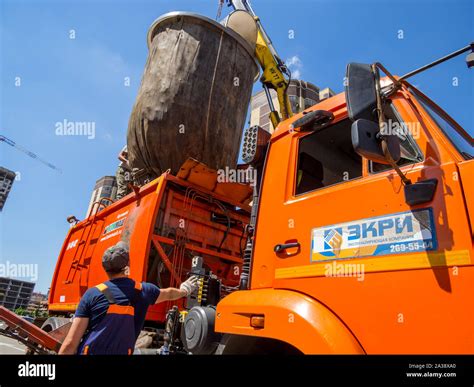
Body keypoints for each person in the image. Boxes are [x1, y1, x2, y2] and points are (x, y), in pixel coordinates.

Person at [58, 241, 198, 355]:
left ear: (105, 269)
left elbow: (71, 343)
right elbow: (168, 293)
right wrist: (185, 290)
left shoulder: (92, 294)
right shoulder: (144, 291)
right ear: (127, 266)